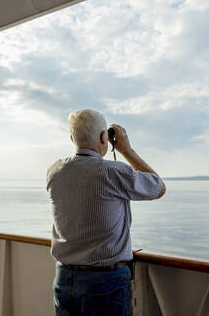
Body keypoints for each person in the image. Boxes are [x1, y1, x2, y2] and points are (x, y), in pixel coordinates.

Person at [46, 109, 166, 316]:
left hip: (64, 278)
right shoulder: (113, 171)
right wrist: (127, 150)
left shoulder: (55, 170)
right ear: (104, 137)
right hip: (104, 283)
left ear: (72, 138)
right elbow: (158, 187)